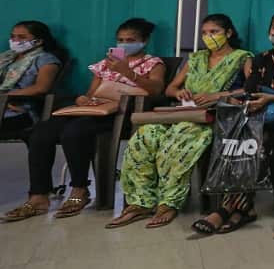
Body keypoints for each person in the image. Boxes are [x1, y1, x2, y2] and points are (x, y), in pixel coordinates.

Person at [4, 19, 162, 222]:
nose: (124, 44)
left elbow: (157, 90)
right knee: (41, 132)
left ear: (145, 40)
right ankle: (38, 196)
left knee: (74, 132)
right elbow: (92, 92)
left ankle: (79, 189)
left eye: (130, 40)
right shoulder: (106, 63)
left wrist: (127, 72)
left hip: (121, 113)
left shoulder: (153, 63)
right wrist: (83, 99)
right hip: (94, 108)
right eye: (120, 40)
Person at [107, 14, 251, 229]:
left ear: (228, 33)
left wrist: (217, 95)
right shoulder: (196, 58)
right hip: (183, 111)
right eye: (204, 33)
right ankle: (141, 202)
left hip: (212, 117)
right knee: (144, 136)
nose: (208, 37)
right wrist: (181, 92)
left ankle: (168, 203)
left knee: (177, 141)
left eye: (214, 32)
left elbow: (252, 90)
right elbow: (170, 89)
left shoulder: (243, 57)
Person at [192, 10, 274, 234]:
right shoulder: (260, 58)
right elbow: (251, 90)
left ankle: (231, 209)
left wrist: (272, 97)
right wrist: (244, 99)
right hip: (258, 114)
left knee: (249, 135)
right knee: (235, 135)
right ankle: (237, 207)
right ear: (269, 31)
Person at [0, 20, 65, 139]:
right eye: (13, 36)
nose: (15, 41)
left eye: (21, 37)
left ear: (39, 41)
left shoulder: (46, 60)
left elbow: (41, 88)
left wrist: (5, 96)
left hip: (18, 111)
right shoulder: (6, 57)